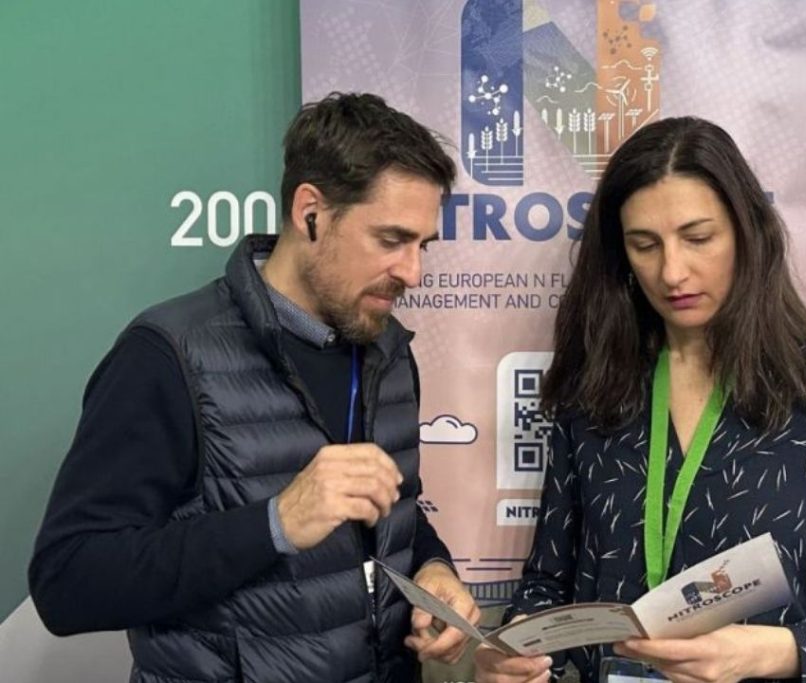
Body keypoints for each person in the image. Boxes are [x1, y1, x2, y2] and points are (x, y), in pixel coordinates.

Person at [29, 92, 480, 683]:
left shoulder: (389, 351)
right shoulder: (168, 355)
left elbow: (394, 514)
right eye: (391, 240)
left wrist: (433, 568)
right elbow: (68, 582)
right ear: (310, 212)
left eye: (423, 246)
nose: (413, 273)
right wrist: (274, 523)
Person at [475, 117, 806, 683]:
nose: (672, 272)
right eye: (645, 245)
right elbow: (549, 585)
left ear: (746, 232)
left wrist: (764, 654)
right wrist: (514, 651)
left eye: (697, 238)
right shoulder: (594, 388)